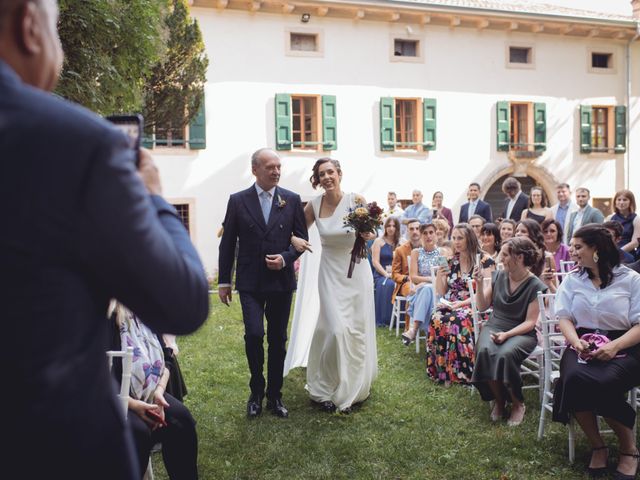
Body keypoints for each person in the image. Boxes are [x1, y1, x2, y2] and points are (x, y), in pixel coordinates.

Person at [0, 2, 209, 477]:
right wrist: (155, 197)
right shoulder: (80, 144)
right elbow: (181, 302)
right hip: (50, 447)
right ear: (31, 25)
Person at [218, 148, 308, 419]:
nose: (276, 171)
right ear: (255, 169)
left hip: (281, 281)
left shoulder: (292, 200)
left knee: (278, 340)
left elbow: (301, 241)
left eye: (279, 166)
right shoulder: (238, 200)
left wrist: (285, 258)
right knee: (255, 335)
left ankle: (275, 395)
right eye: (270, 167)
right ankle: (256, 391)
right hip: (250, 282)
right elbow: (228, 242)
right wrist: (224, 280)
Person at [289, 158, 377, 414]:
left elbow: (372, 232)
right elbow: (295, 230)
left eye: (330, 172)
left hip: (356, 272)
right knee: (333, 329)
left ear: (339, 174)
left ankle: (351, 388)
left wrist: (369, 235)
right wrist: (293, 238)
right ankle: (323, 386)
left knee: (354, 330)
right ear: (317, 179)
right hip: (329, 273)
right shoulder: (314, 205)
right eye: (321, 174)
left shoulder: (356, 201)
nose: (327, 177)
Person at [552, 225, 640, 479]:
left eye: (578, 246)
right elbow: (565, 318)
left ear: (597, 249)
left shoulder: (631, 279)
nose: (572, 251)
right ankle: (598, 446)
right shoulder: (572, 279)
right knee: (573, 378)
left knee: (604, 382)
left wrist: (614, 346)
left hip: (625, 345)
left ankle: (629, 449)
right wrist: (576, 343)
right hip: (582, 344)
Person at [108, 303, 198, 479]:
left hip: (150, 393)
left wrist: (159, 392)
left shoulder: (146, 311)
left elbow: (167, 357)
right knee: (138, 434)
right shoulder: (105, 315)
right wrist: (134, 405)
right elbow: (96, 378)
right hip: (113, 400)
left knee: (181, 420)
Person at [472, 237, 547, 426]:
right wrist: (480, 284)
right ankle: (499, 400)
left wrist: (507, 335)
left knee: (505, 354)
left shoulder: (536, 286)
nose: (500, 259)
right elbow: (482, 306)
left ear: (520, 257)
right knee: (484, 351)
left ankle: (517, 403)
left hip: (521, 332)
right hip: (495, 325)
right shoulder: (498, 275)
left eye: (505, 255)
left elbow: (530, 322)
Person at [427, 224, 495, 385]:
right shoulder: (449, 261)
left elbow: (487, 292)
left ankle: (464, 372)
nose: (456, 242)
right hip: (453, 304)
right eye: (454, 238)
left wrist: (462, 304)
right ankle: (443, 371)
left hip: (478, 305)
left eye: (460, 238)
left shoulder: (485, 260)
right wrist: (440, 276)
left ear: (469, 239)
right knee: (436, 317)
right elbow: (442, 291)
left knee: (456, 320)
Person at [402, 223, 441, 345]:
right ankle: (417, 330)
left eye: (431, 232)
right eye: (425, 233)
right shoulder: (416, 252)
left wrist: (424, 282)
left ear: (436, 234)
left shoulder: (442, 252)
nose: (428, 236)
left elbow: (445, 275)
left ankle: (414, 329)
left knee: (427, 289)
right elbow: (413, 277)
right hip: (421, 292)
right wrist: (428, 280)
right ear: (421, 235)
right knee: (426, 290)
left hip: (439, 291)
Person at [391, 219, 422, 332]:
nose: (415, 231)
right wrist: (407, 278)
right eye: (411, 229)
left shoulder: (427, 248)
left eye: (417, 228)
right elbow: (394, 274)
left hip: (425, 281)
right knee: (412, 290)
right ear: (408, 231)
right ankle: (409, 329)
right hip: (406, 283)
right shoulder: (400, 250)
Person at [371, 216, 401, 326]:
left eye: (394, 226)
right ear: (385, 227)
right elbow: (375, 262)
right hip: (381, 275)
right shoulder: (378, 241)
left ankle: (399, 319)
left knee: (401, 283)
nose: (391, 228)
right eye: (389, 225)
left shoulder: (400, 243)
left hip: (396, 273)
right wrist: (386, 274)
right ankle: (385, 319)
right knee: (389, 284)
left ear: (397, 228)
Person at [516, 219, 555, 292]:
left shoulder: (547, 257)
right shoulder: (513, 256)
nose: (518, 234)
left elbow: (553, 289)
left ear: (533, 235)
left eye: (523, 231)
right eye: (517, 231)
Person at [607, 189, 640, 256]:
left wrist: (618, 252)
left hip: (627, 254)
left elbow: (635, 242)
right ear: (615, 202)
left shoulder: (636, 219)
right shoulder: (610, 218)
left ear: (631, 202)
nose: (621, 202)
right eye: (619, 200)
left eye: (625, 200)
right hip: (610, 253)